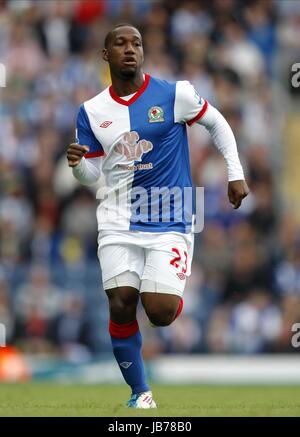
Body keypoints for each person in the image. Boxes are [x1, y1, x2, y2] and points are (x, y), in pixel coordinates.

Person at [67, 23, 249, 409]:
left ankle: (172, 285)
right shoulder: (92, 111)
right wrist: (78, 167)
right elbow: (92, 176)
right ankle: (140, 394)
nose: (130, 49)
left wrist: (235, 172)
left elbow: (217, 122)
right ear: (106, 55)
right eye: (120, 43)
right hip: (117, 219)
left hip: (171, 217)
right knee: (119, 302)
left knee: (160, 313)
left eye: (136, 43)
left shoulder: (175, 93)